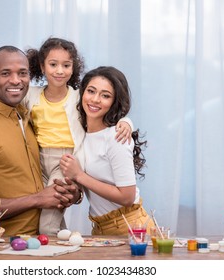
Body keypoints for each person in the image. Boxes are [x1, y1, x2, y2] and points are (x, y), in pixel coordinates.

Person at [0, 38, 133, 235]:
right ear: (42, 66)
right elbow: (1, 96)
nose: (59, 70)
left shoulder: (78, 96)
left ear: (74, 68)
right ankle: (65, 244)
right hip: (37, 160)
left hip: (64, 162)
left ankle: (54, 254)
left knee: (47, 222)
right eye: (53, 64)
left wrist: (126, 122)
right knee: (43, 213)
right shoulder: (31, 95)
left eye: (66, 65)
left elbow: (101, 106)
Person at [0, 45, 80, 237]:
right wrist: (38, 199)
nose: (15, 80)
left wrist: (73, 195)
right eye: (5, 73)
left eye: (22, 73)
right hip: (7, 246)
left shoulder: (28, 116)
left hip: (46, 241)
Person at [59, 66, 155, 235]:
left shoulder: (116, 137)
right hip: (100, 227)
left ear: (114, 102)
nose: (95, 99)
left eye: (105, 96)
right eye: (91, 91)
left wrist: (79, 175)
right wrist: (75, 193)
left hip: (130, 226)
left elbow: (126, 197)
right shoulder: (79, 134)